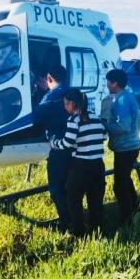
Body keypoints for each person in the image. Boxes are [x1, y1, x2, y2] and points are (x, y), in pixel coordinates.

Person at [50, 88, 108, 236]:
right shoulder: (95, 117)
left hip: (81, 165)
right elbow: (104, 135)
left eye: (66, 104)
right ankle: (97, 229)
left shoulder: (74, 120)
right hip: (98, 164)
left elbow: (68, 142)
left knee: (73, 197)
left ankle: (78, 231)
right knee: (95, 198)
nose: (65, 107)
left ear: (73, 103)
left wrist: (54, 143)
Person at [32, 65, 71, 229]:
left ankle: (66, 222)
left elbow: (36, 119)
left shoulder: (50, 97)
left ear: (49, 79)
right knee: (72, 186)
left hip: (59, 150)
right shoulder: (76, 93)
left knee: (57, 188)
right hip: (78, 149)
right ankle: (77, 217)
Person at [101, 68, 140, 224]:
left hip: (125, 148)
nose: (107, 85)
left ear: (115, 83)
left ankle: (126, 219)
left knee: (119, 186)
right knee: (125, 179)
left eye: (108, 82)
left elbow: (123, 126)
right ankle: (135, 208)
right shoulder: (128, 96)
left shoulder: (121, 100)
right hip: (130, 146)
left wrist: (104, 124)